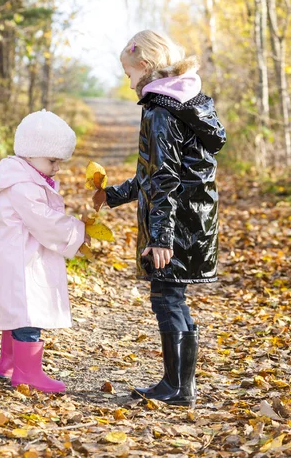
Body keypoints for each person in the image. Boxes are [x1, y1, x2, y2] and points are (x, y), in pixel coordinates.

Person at [93, 30, 226, 407]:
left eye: (128, 73)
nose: (128, 81)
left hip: (175, 224)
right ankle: (180, 386)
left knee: (166, 298)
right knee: (173, 298)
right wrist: (114, 195)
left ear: (146, 66)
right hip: (195, 220)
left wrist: (161, 236)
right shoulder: (188, 103)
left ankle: (176, 387)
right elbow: (156, 171)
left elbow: (164, 177)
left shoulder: (160, 109)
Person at [0, 110, 89, 393]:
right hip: (23, 259)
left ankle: (9, 362)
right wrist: (77, 231)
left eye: (59, 162)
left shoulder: (28, 178)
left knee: (18, 308)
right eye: (53, 160)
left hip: (23, 254)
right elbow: (44, 220)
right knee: (27, 311)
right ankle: (27, 373)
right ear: (30, 154)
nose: (57, 168)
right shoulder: (23, 186)